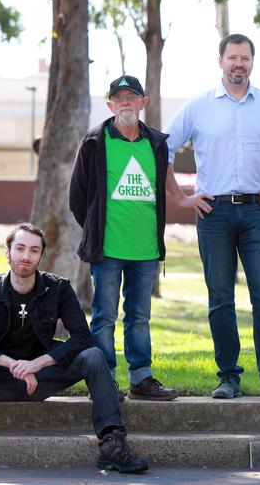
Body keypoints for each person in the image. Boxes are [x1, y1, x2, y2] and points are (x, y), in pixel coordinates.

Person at [0, 223, 148, 479]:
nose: (26, 256)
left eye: (33, 250)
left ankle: (112, 443)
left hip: (41, 378)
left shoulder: (58, 288)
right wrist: (11, 364)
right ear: (8, 252)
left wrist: (36, 364)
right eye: (19, 248)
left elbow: (82, 337)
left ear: (41, 256)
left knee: (93, 356)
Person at [165, 33, 260, 401]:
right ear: (221, 61)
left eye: (245, 58)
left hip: (259, 212)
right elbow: (161, 147)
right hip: (213, 212)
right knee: (220, 299)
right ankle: (228, 377)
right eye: (233, 58)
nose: (239, 64)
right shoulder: (198, 107)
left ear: (252, 63)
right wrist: (181, 198)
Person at [69, 75, 177, 401]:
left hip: (145, 250)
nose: (126, 102)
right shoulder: (94, 142)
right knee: (104, 316)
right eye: (119, 98)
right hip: (108, 250)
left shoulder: (156, 144)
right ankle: (103, 381)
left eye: (133, 97)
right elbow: (78, 197)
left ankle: (141, 379)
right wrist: (96, 230)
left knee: (140, 317)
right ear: (110, 105)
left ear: (143, 103)